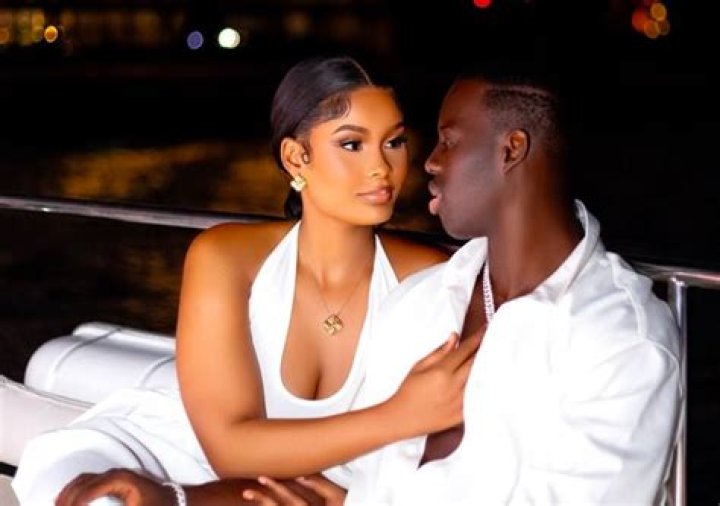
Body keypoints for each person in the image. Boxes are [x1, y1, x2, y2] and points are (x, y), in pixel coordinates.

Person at [12, 55, 479, 506]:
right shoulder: (226, 257)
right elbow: (228, 450)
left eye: (394, 142)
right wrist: (398, 416)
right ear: (296, 157)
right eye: (352, 145)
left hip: (325, 485)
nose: (381, 167)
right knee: (83, 491)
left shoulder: (432, 274)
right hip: (181, 451)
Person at [335, 64, 683, 504]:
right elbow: (354, 478)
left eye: (449, 140)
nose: (431, 161)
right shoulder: (415, 302)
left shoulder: (621, 340)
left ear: (511, 150)